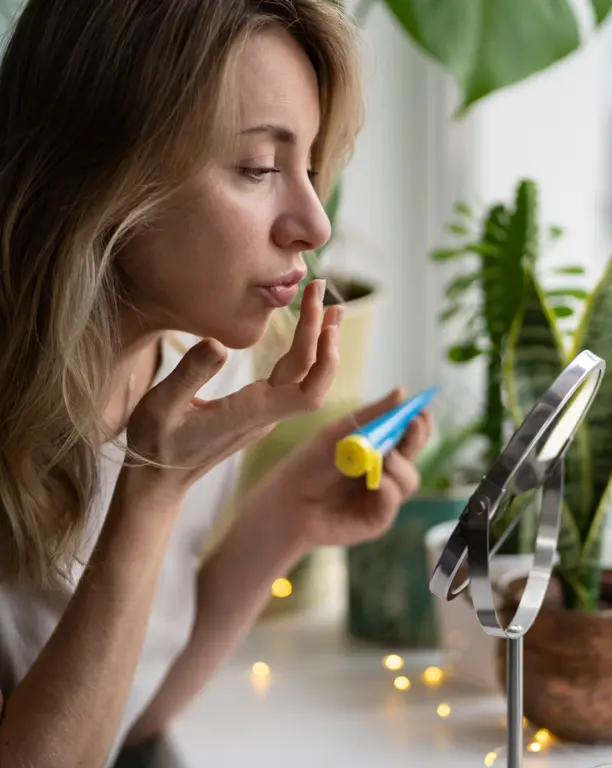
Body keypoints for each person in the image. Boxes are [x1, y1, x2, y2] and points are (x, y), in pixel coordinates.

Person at [0, 1, 433, 766]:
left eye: (309, 168)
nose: (313, 222)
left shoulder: (197, 367)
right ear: (103, 169)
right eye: (261, 168)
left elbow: (125, 719)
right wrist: (153, 493)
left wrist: (285, 520)